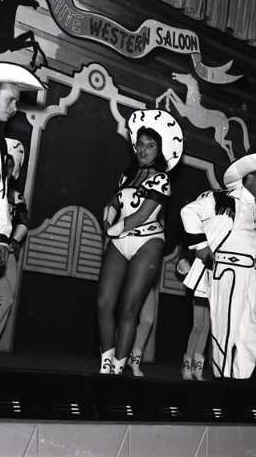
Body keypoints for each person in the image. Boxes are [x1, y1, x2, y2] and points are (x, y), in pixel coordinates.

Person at [181, 153, 256, 379]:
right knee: (225, 331)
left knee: (251, 334)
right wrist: (201, 246)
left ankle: (241, 383)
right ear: (248, 177)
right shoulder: (223, 199)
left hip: (255, 276)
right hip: (229, 272)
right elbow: (188, 212)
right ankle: (224, 383)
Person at [97, 109, 183, 375]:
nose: (143, 150)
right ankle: (106, 363)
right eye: (140, 144)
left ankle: (119, 368)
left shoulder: (162, 179)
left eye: (150, 145)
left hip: (147, 241)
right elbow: (113, 204)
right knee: (103, 303)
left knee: (129, 308)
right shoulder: (126, 176)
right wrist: (107, 217)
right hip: (120, 239)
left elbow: (142, 215)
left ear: (160, 150)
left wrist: (113, 230)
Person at [0, 62, 43, 364]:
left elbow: (2, 195)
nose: (15, 107)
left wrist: (4, 237)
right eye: (10, 100)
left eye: (17, 101)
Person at [0, 139, 29, 366]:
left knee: (8, 301)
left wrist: (13, 241)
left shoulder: (15, 194)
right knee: (4, 298)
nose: (8, 168)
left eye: (11, 165)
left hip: (7, 251)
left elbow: (23, 220)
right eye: (5, 164)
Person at [178, 245, 211, 381]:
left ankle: (197, 368)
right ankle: (186, 366)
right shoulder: (196, 240)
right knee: (198, 325)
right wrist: (184, 266)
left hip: (211, 282)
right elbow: (184, 258)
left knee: (206, 327)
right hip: (198, 283)